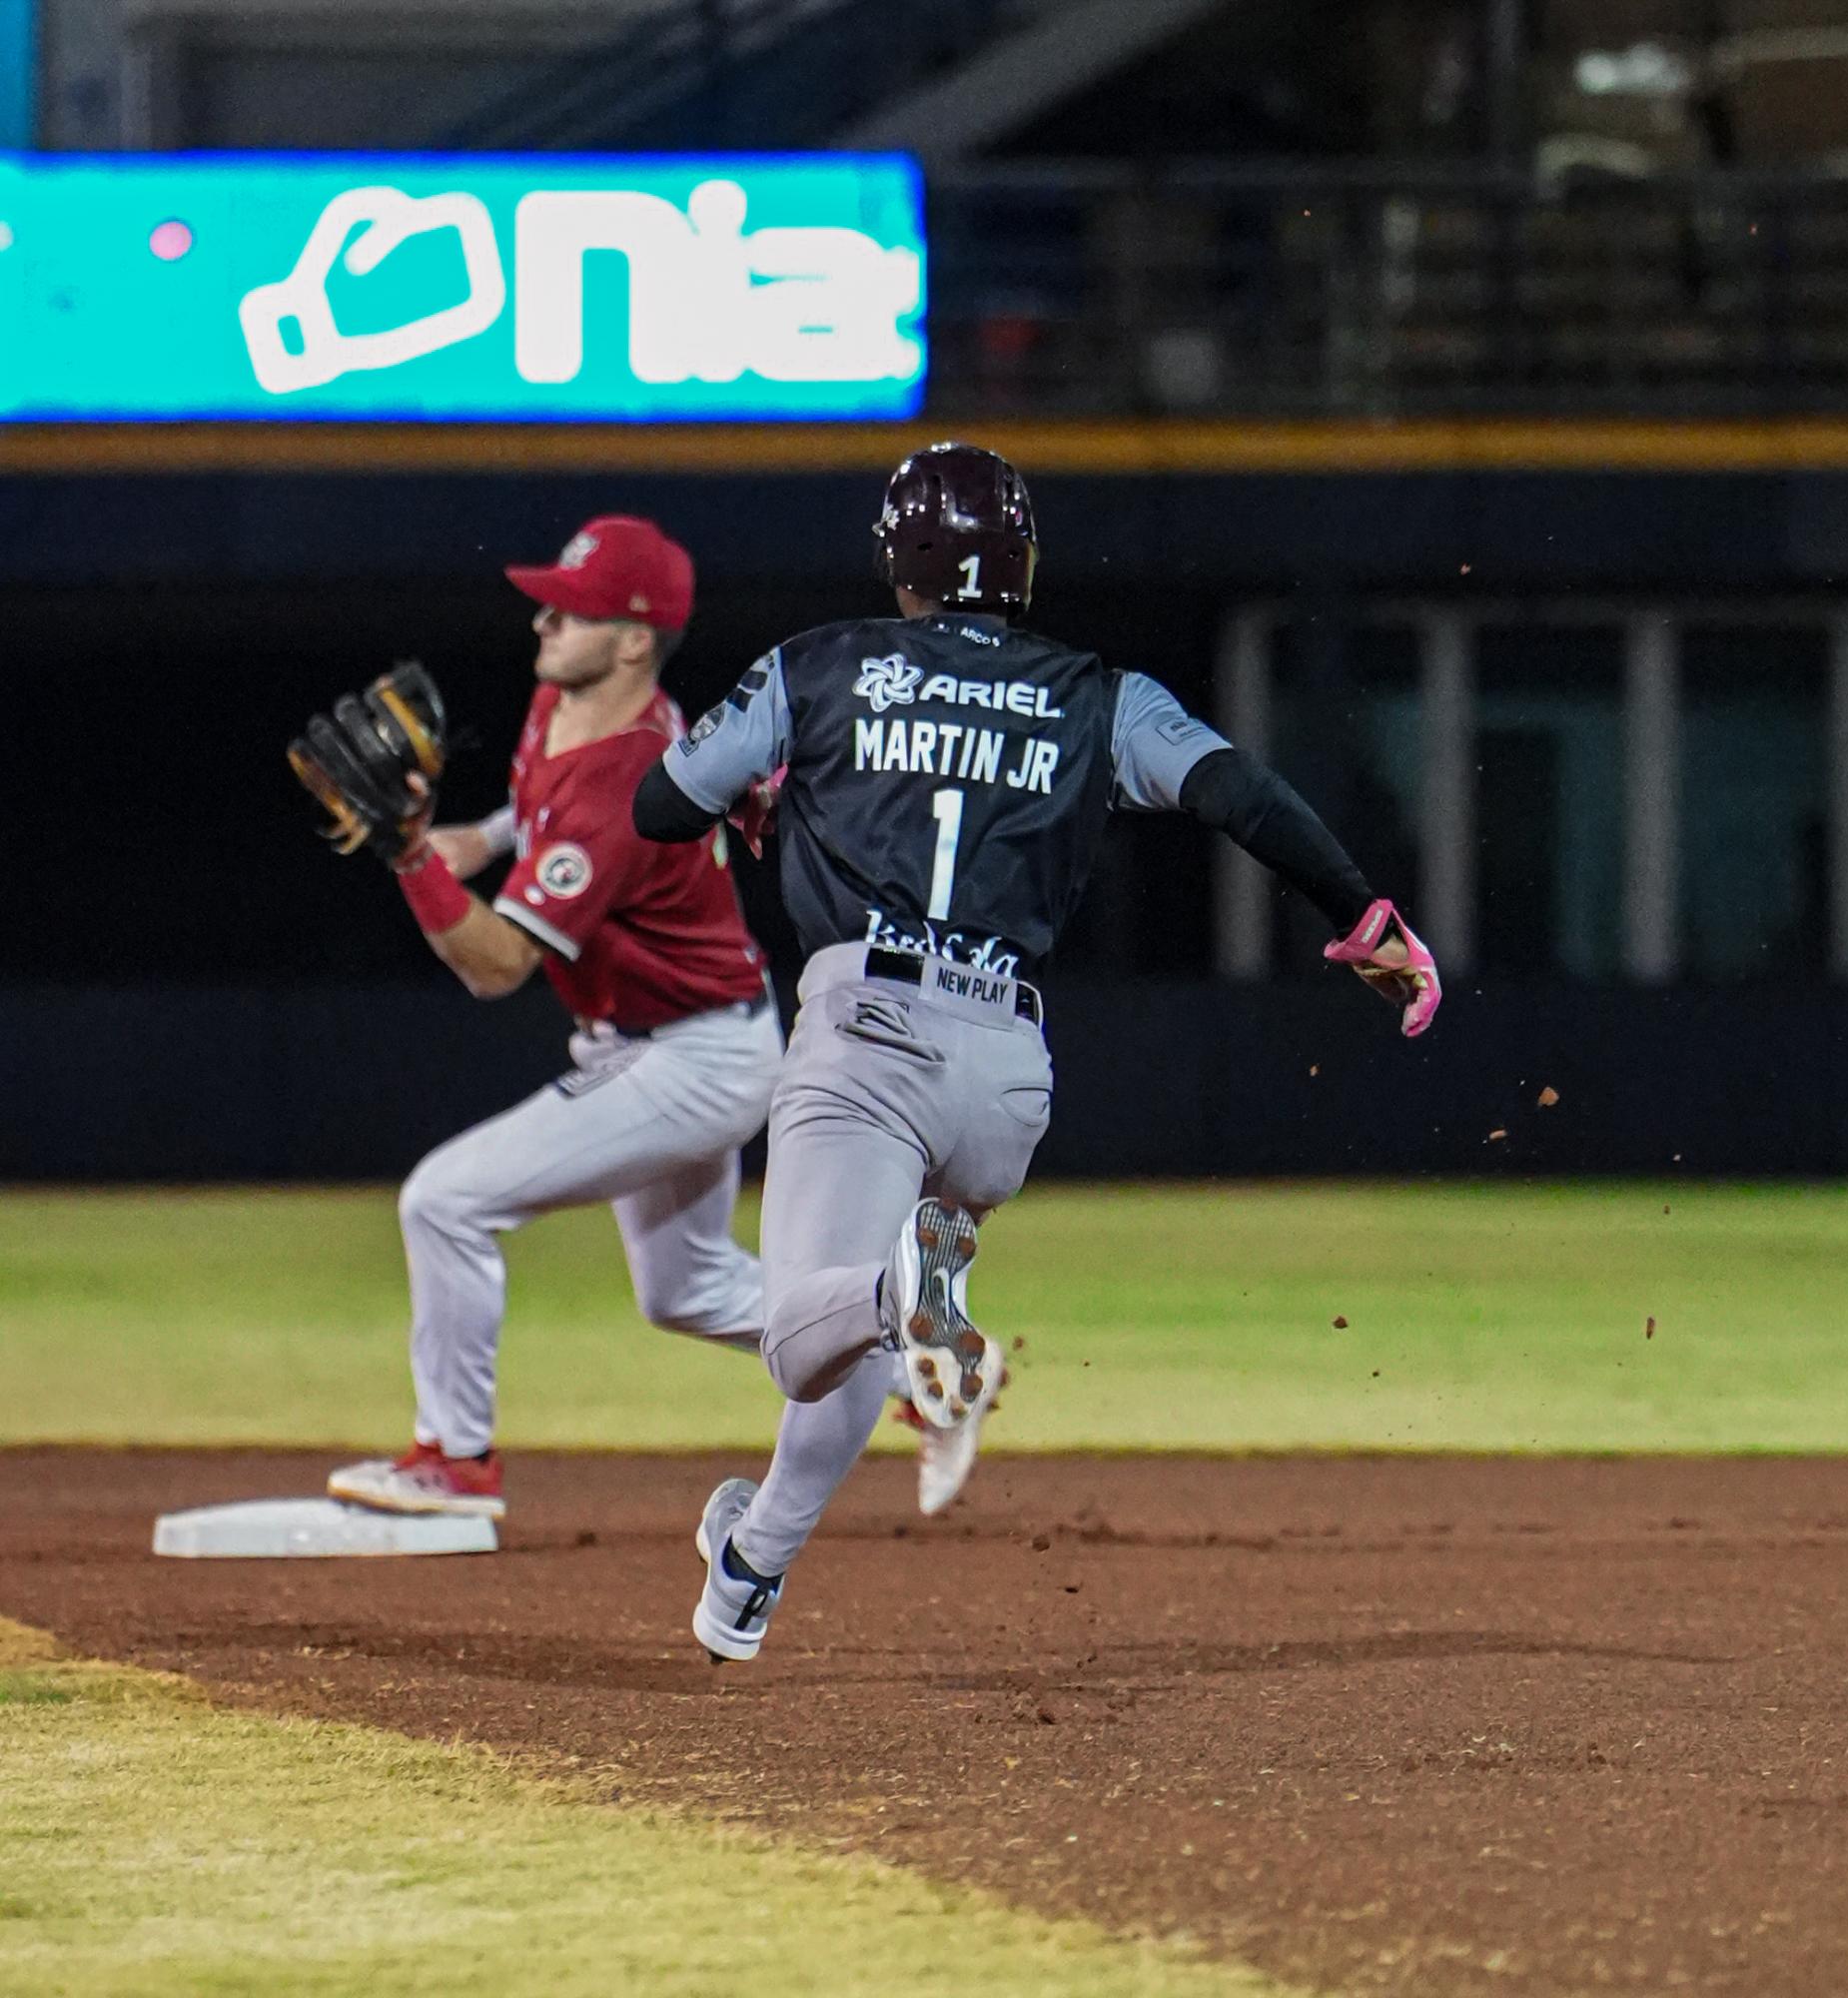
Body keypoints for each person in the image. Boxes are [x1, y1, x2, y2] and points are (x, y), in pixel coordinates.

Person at [631, 443, 1440, 1660]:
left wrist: (768, 792)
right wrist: (1364, 918)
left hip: (864, 1028)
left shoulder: (819, 664)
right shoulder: (1101, 693)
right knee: (859, 1313)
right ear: (1021, 562)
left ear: (896, 556)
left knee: (810, 1335)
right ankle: (749, 1569)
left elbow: (658, 808)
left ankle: (905, 1292)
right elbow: (1240, 793)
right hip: (1006, 1069)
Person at [328, 516, 783, 1520]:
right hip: (692, 1031)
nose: (543, 616)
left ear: (631, 639)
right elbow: (538, 807)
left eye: (571, 608)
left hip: (693, 1058)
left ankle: (455, 1460)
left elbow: (498, 967)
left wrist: (409, 858)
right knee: (688, 1287)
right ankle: (895, 1339)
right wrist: (479, 837)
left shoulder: (627, 781)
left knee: (444, 1199)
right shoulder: (563, 703)